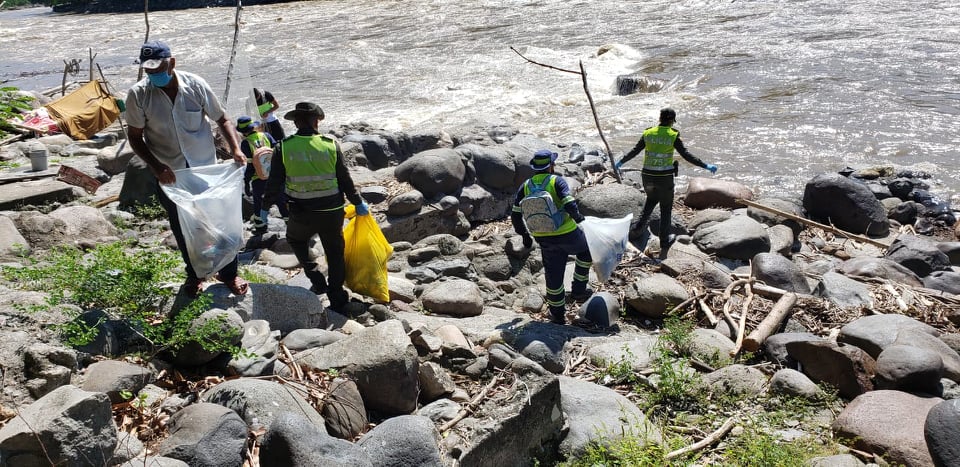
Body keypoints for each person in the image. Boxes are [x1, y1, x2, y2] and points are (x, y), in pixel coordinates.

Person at [124, 40, 249, 298]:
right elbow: (135, 138)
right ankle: (195, 275)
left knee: (220, 223)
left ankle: (229, 273)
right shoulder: (138, 95)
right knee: (183, 227)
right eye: (149, 70)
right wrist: (157, 167)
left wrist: (235, 148)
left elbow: (222, 118)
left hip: (205, 171)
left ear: (172, 62)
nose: (153, 74)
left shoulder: (195, 84)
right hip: (171, 176)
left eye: (158, 68)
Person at [262, 102, 368, 312]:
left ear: (297, 122)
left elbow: (273, 184)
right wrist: (357, 202)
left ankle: (317, 279)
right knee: (335, 252)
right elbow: (344, 178)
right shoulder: (330, 144)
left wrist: (263, 210)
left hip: (301, 212)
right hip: (331, 211)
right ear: (316, 121)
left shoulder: (283, 147)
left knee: (295, 239)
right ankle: (337, 296)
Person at [616, 108, 718, 260]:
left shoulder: (648, 133)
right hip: (664, 179)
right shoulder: (673, 135)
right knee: (665, 209)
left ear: (660, 118)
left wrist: (620, 162)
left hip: (647, 177)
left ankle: (635, 231)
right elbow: (686, 155)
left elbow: (635, 151)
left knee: (649, 202)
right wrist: (705, 166)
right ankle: (664, 241)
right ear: (672, 120)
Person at [511, 150, 593, 325]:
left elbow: (515, 215)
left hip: (543, 237)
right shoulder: (557, 181)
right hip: (568, 233)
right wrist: (580, 219)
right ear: (551, 166)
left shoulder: (525, 186)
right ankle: (578, 290)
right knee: (586, 252)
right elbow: (569, 203)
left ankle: (557, 315)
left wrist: (525, 236)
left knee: (553, 275)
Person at [237, 116, 288, 234]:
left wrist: (246, 181)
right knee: (281, 200)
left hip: (258, 178)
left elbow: (250, 165)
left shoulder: (245, 143)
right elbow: (277, 151)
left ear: (243, 132)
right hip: (274, 176)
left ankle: (261, 226)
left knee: (259, 202)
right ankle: (289, 222)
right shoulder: (266, 135)